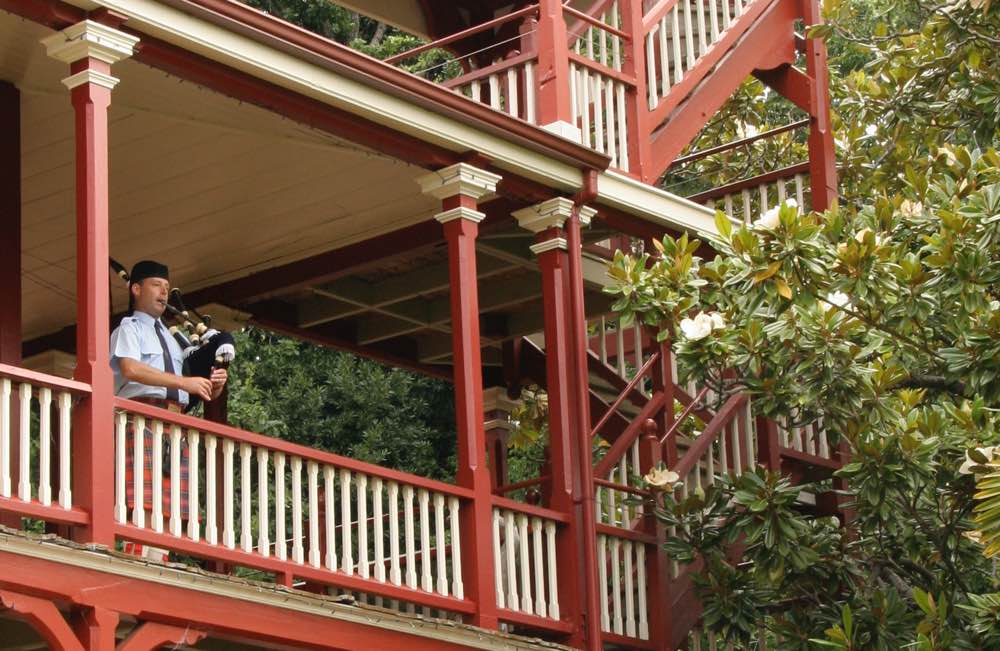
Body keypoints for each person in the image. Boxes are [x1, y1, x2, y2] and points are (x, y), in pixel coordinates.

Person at [110, 260, 227, 561]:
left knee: (168, 511)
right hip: (143, 419)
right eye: (156, 285)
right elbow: (131, 369)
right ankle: (137, 569)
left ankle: (158, 566)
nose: (164, 293)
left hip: (174, 426)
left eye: (166, 287)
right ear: (136, 289)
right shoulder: (129, 329)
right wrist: (184, 381)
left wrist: (212, 385)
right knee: (142, 506)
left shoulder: (176, 342)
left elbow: (187, 390)